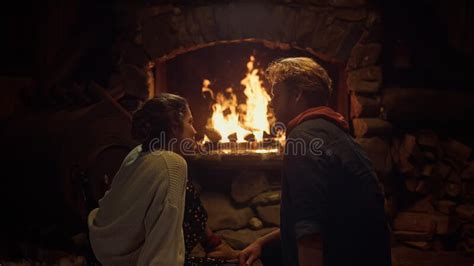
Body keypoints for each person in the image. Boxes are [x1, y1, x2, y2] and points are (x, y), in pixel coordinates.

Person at [239, 58, 391, 266]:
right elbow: (323, 213)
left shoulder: (303, 138)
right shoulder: (335, 133)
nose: (271, 101)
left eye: (277, 93)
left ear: (296, 95)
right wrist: (262, 243)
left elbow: (310, 229)